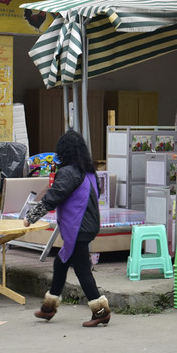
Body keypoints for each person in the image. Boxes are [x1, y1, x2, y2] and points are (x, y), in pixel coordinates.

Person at [25, 131, 111, 327]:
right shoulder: (88, 172)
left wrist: (30, 217)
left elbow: (55, 196)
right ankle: (49, 307)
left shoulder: (69, 172)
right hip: (86, 225)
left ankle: (101, 312)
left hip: (78, 227)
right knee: (61, 262)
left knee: (82, 270)